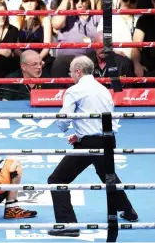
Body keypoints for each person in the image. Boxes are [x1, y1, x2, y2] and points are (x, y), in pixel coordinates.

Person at [47, 56, 138, 237]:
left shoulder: (75, 90)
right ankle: (129, 211)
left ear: (78, 72)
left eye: (71, 72)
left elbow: (63, 121)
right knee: (107, 174)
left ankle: (68, 225)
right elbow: (109, 119)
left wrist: (69, 130)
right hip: (108, 139)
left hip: (91, 143)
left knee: (57, 180)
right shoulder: (103, 90)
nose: (71, 75)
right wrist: (80, 134)